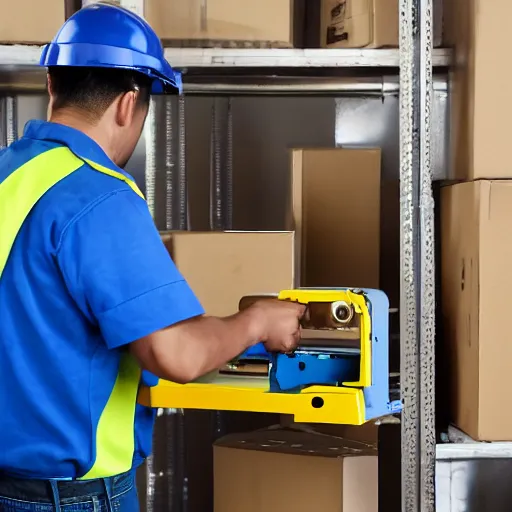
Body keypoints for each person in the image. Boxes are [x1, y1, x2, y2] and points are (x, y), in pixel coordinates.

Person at [0, 4, 305, 511]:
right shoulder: (99, 196)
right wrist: (256, 321)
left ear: (52, 84)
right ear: (127, 104)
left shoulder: (8, 175)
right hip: (68, 499)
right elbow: (176, 354)